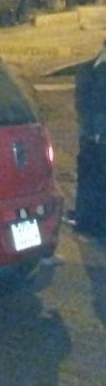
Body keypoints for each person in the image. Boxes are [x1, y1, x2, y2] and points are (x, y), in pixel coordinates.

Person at [74, 41, 106, 238]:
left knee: (89, 179)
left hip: (90, 135)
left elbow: (82, 104)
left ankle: (86, 220)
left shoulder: (86, 69)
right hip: (97, 136)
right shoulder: (93, 70)